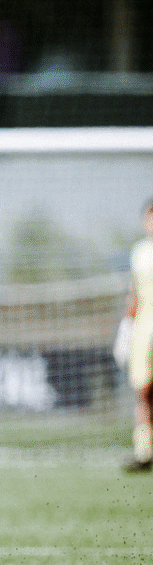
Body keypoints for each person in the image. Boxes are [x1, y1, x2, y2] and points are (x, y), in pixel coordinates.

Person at [117, 198, 153, 473]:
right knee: (143, 391)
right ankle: (144, 451)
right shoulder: (140, 252)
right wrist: (126, 330)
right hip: (143, 330)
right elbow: (135, 295)